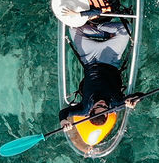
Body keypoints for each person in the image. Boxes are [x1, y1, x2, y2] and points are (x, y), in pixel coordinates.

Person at [57, 18, 134, 147]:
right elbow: (137, 96)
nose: (103, 104)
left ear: (91, 110)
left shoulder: (84, 109)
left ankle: (100, 30)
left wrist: (63, 121)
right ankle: (101, 27)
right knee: (126, 29)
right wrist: (133, 101)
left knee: (73, 27)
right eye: (105, 108)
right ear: (109, 111)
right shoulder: (115, 104)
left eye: (99, 106)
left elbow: (63, 112)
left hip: (90, 59)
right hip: (111, 58)